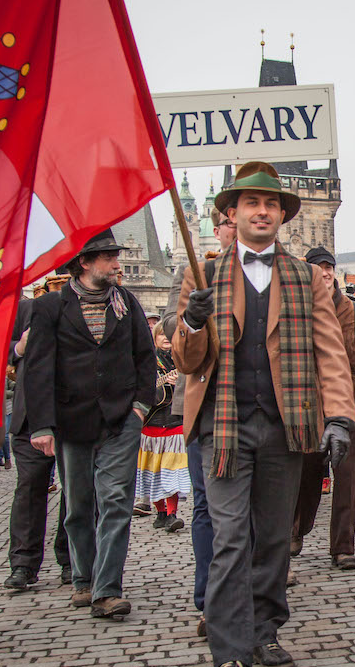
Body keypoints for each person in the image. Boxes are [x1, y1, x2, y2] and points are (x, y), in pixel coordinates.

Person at [174, 161, 354, 667]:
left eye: (271, 204)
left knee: (274, 538)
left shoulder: (303, 276)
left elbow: (330, 352)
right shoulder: (202, 273)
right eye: (251, 203)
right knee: (231, 538)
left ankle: (265, 627)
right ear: (232, 212)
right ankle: (229, 658)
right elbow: (186, 361)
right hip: (223, 426)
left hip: (284, 425)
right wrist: (189, 320)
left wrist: (340, 414)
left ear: (280, 216)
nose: (261, 211)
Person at [22, 229, 156, 618]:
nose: (117, 264)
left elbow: (145, 357)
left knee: (116, 502)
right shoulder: (49, 307)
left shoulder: (127, 303)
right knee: (78, 507)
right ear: (84, 262)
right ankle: (82, 578)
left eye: (117, 256)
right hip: (71, 421)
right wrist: (42, 425)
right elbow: (38, 367)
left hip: (120, 420)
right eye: (108, 257)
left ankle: (107, 588)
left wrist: (140, 408)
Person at [162, 205, 236, 636]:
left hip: (254, 402)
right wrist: (194, 316)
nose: (235, 227)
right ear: (218, 227)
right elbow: (171, 321)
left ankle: (250, 588)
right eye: (228, 221)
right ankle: (209, 599)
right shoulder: (197, 269)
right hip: (203, 399)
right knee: (208, 504)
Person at [292, 246, 355, 570]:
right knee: (306, 473)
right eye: (320, 267)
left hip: (348, 401)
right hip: (307, 404)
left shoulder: (354, 311)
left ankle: (343, 547)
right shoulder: (298, 308)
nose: (326, 272)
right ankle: (296, 530)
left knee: (346, 478)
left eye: (330, 266)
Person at [3, 297, 72, 592]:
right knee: (30, 487)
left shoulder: (80, 304)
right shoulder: (22, 309)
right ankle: (23, 563)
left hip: (71, 414)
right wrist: (20, 346)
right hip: (29, 415)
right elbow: (0, 352)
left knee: (76, 489)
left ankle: (71, 558)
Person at [137, 317, 189, 532]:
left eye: (169, 335)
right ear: (154, 338)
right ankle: (159, 512)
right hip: (151, 425)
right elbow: (142, 392)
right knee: (153, 470)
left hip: (175, 422)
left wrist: (181, 385)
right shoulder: (147, 362)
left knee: (173, 470)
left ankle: (171, 514)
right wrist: (158, 385)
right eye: (161, 335)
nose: (166, 338)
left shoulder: (183, 360)